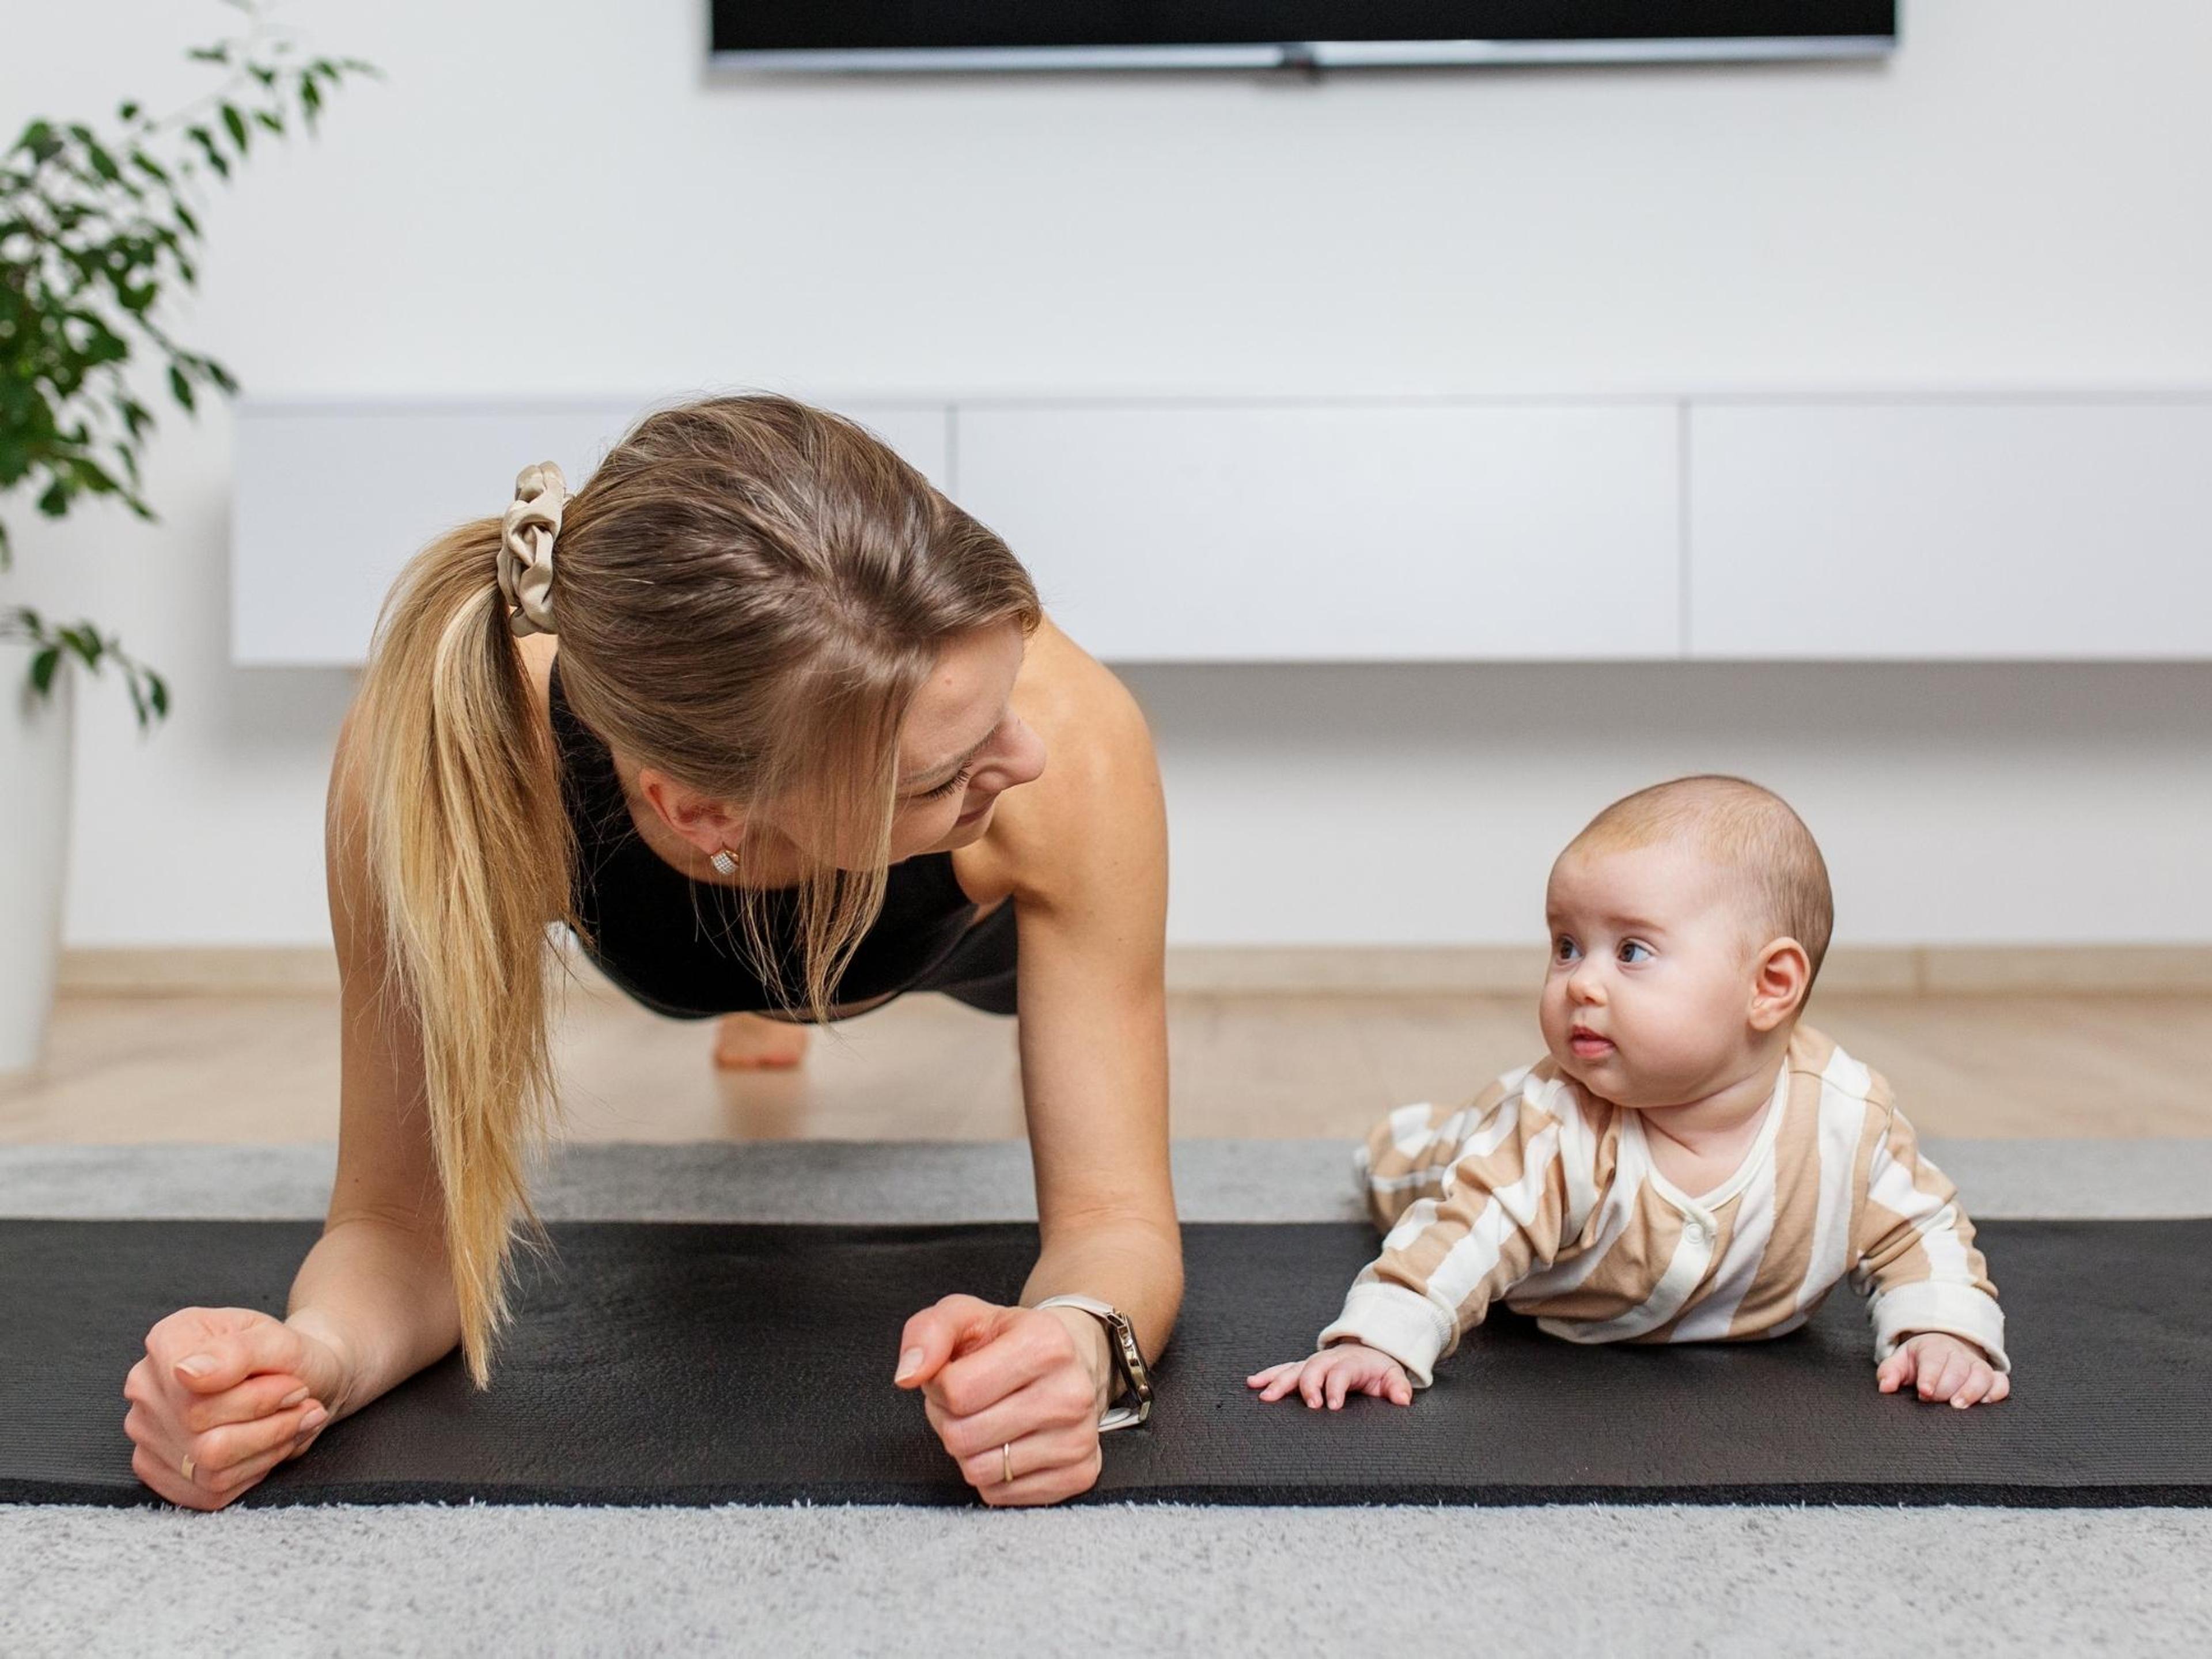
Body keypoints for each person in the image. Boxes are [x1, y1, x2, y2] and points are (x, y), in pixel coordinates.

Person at [120, 395, 1181, 1509]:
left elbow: (1115, 1224)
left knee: (1025, 813)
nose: (1029, 752)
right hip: (666, 928)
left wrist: (1076, 1345)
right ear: (700, 812)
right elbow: (393, 1227)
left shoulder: (1068, 752)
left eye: (1007, 694)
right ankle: (750, 995)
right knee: (707, 970)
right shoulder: (451, 764)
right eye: (938, 773)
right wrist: (310, 1363)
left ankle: (799, 976)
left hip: (951, 938)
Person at [1249, 775, 2012, 1411]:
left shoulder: (1847, 1122)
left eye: (1633, 951)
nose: (1581, 980)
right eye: (1566, 946)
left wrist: (1942, 1331)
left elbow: (1922, 1234)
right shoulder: (1554, 1126)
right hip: (1480, 1161)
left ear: (1769, 986)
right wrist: (1377, 1339)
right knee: (1422, 1168)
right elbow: (1462, 1234)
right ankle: (1403, 1136)